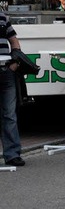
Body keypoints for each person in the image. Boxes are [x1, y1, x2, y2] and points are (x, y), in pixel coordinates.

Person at [0, 12, 25, 166]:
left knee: (9, 114)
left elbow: (14, 41)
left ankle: (12, 154)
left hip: (5, 71)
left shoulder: (2, 17)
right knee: (8, 114)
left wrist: (15, 62)